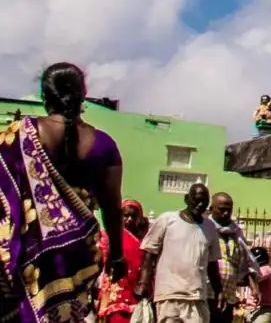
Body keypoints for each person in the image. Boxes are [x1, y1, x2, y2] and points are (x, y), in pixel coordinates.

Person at [0, 62, 127, 323]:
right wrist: (117, 254)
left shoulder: (19, 135)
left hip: (28, 252)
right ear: (83, 96)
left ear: (45, 97)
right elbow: (113, 209)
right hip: (77, 255)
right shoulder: (104, 145)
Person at [139, 181, 223, 323]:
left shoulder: (209, 227)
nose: (200, 205)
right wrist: (143, 282)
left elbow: (212, 264)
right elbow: (149, 253)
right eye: (197, 200)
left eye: (204, 202)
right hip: (169, 295)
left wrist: (219, 290)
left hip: (196, 297)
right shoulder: (167, 219)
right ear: (187, 199)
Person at [99, 199, 148, 323]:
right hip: (115, 289)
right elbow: (102, 259)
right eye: (126, 215)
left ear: (140, 218)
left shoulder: (145, 239)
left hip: (135, 290)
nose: (129, 219)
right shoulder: (110, 236)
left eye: (134, 216)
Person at [209, 193, 255, 323]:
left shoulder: (236, 232)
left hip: (229, 295)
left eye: (229, 210)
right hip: (208, 294)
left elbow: (246, 261)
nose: (226, 213)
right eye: (221, 209)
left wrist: (253, 285)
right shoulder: (205, 229)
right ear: (211, 208)